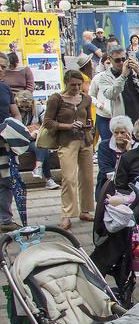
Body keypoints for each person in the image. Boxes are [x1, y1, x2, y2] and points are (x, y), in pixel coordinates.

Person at [45, 70, 95, 229]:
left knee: (87, 177)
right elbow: (48, 122)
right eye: (73, 85)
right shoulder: (56, 99)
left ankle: (85, 210)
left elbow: (88, 118)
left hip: (85, 140)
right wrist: (67, 126)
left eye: (79, 85)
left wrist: (88, 126)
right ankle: (67, 214)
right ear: (66, 83)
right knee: (68, 178)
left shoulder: (86, 98)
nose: (76, 88)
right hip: (66, 141)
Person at [95, 116, 136, 196]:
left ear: (129, 133)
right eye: (116, 133)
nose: (119, 136)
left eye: (122, 132)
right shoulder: (104, 146)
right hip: (108, 186)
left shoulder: (137, 146)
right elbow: (105, 170)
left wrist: (129, 151)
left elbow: (135, 170)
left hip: (130, 186)